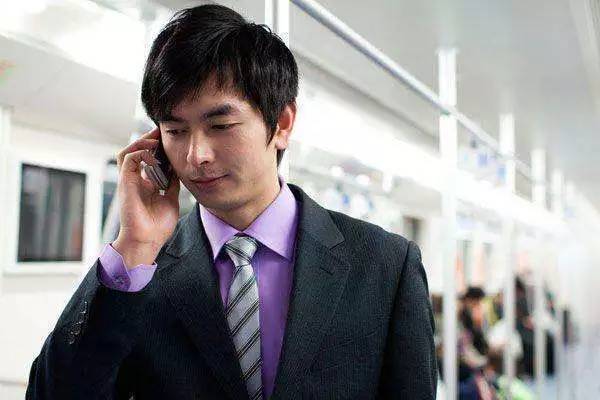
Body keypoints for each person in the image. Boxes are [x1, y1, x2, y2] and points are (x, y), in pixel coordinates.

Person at [26, 4, 436, 399]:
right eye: (175, 131)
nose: (196, 156)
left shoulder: (384, 265)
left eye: (220, 125)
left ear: (282, 124)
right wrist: (133, 247)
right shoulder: (140, 272)